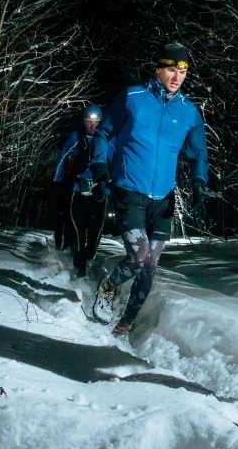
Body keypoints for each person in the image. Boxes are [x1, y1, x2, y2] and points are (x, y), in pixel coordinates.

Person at [89, 42, 208, 336]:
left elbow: (199, 152)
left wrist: (199, 181)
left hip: (163, 198)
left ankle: (127, 321)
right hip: (129, 189)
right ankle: (108, 287)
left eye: (182, 71)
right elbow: (103, 133)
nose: (177, 76)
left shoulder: (189, 112)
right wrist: (100, 165)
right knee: (139, 257)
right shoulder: (133, 98)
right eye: (171, 69)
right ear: (158, 70)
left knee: (150, 265)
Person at [52, 104, 112, 278]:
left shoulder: (110, 139)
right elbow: (62, 158)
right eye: (89, 122)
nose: (92, 126)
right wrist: (56, 182)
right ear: (84, 122)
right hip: (78, 191)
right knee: (78, 232)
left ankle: (89, 257)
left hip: (100, 194)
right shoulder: (75, 138)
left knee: (94, 237)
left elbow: (120, 163)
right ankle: (80, 271)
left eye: (96, 122)